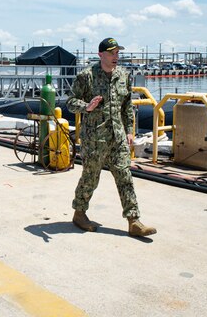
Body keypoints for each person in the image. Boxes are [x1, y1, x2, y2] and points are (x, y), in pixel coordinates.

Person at [66, 37, 156, 237]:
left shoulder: (123, 75)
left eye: (117, 53)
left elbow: (126, 106)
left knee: (125, 177)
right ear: (101, 55)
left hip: (118, 137)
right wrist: (86, 107)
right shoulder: (86, 76)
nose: (116, 56)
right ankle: (79, 213)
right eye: (112, 53)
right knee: (91, 178)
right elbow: (70, 102)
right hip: (94, 139)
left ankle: (134, 221)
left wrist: (130, 130)